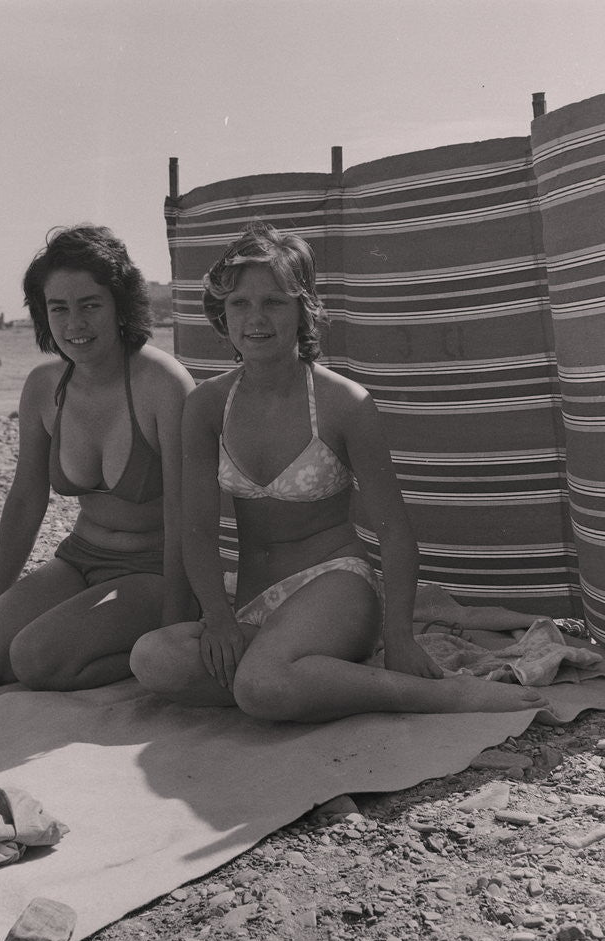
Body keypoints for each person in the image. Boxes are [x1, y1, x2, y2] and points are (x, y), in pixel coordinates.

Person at [130, 223, 549, 723]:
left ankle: (440, 696)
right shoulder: (207, 405)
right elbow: (196, 531)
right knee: (153, 659)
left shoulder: (343, 403)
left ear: (303, 309)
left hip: (336, 586)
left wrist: (398, 638)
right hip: (252, 602)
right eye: (240, 303)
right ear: (223, 312)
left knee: (260, 686)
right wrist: (217, 619)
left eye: (275, 302)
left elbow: (395, 533)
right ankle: (301, 677)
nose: (255, 319)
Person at [0, 224, 195, 692]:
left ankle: (137, 653)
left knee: (33, 658)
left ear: (120, 306)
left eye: (90, 305)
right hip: (78, 558)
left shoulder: (162, 383)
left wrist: (177, 617)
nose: (74, 324)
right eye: (58, 308)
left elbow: (188, 509)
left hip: (153, 569)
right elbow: (26, 497)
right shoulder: (45, 387)